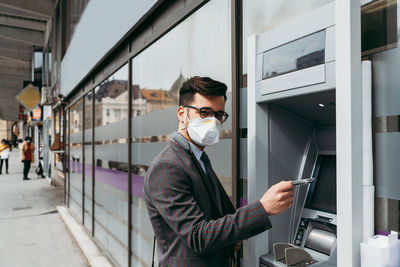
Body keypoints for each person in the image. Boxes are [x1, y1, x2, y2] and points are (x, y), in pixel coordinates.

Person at [143, 76, 294, 266]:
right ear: (182, 113)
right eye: (205, 112)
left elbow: (217, 216)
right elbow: (198, 236)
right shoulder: (168, 166)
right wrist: (262, 208)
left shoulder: (197, 158)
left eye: (219, 114)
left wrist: (231, 238)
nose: (213, 121)